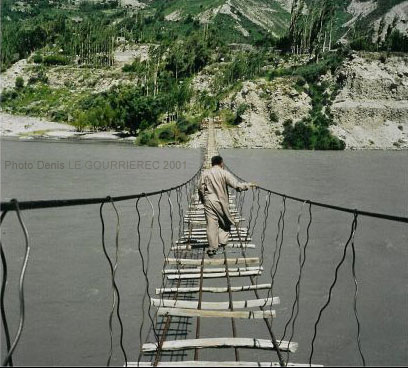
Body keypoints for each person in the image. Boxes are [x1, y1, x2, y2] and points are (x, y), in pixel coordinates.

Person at [198, 155, 256, 257]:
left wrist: (203, 200)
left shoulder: (205, 173)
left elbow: (200, 188)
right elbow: (237, 185)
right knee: (225, 221)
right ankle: (222, 242)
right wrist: (248, 185)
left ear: (212, 163)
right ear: (221, 163)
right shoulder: (225, 173)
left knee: (211, 225)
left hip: (209, 201)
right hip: (221, 202)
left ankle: (212, 248)